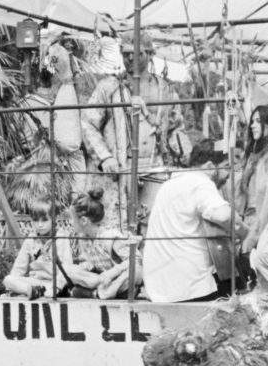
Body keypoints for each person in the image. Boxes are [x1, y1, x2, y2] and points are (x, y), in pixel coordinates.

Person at [81, 31, 188, 230]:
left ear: (150, 54)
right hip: (121, 169)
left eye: (137, 53)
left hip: (154, 167)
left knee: (154, 225)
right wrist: (105, 157)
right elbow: (88, 124)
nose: (130, 58)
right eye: (126, 53)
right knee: (120, 227)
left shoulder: (165, 90)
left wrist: (184, 153)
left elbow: (176, 128)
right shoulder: (109, 87)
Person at [143, 139, 249, 303]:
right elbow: (224, 216)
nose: (229, 174)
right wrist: (243, 231)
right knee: (244, 278)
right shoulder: (200, 183)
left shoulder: (169, 184)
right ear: (209, 166)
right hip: (187, 291)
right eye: (226, 167)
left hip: (159, 289)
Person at [237, 104, 268, 281]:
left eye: (258, 121)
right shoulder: (256, 157)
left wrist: (258, 238)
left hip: (261, 238)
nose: (252, 125)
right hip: (249, 231)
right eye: (252, 121)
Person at [65, 188, 142, 300]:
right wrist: (84, 267)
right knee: (69, 270)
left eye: (72, 219)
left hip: (117, 276)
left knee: (136, 271)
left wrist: (112, 273)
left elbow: (136, 259)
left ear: (83, 221)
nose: (70, 222)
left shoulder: (110, 236)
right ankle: (116, 292)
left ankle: (97, 293)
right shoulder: (84, 238)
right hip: (102, 279)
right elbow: (89, 262)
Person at [2, 195, 74, 299]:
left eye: (45, 220)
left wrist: (56, 286)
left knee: (63, 282)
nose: (40, 225)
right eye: (36, 220)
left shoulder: (61, 238)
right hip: (35, 282)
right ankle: (36, 291)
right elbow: (19, 268)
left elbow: (67, 268)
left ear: (55, 218)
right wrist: (11, 288)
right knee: (8, 280)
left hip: (54, 283)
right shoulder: (30, 239)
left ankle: (35, 291)